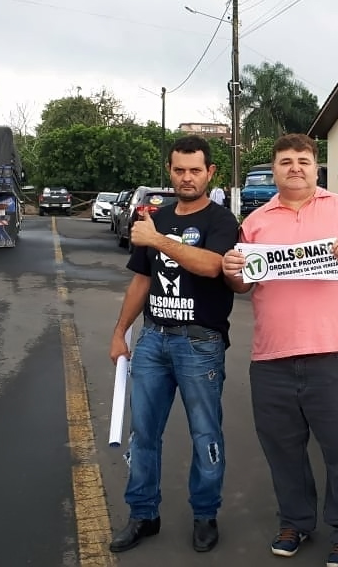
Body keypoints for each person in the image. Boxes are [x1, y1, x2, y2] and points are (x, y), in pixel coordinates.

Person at [220, 133, 338, 567]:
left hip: (334, 351)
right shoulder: (255, 222)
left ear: (317, 168)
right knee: (282, 448)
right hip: (272, 356)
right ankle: (295, 521)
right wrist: (232, 270)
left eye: (303, 161)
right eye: (285, 161)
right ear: (273, 169)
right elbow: (242, 283)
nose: (295, 167)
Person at [108, 135, 240, 555]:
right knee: (143, 434)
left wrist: (159, 240)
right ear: (170, 170)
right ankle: (143, 514)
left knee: (206, 434)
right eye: (179, 170)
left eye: (195, 170)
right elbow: (142, 280)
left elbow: (213, 265)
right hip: (153, 340)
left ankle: (205, 514)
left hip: (200, 343)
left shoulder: (221, 221)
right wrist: (120, 332)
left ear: (210, 173)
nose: (186, 178)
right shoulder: (156, 218)